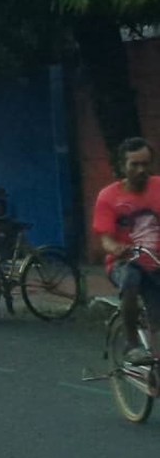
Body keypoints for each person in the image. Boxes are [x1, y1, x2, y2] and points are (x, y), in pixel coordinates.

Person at [94, 137, 160, 364]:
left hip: (155, 262)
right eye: (135, 165)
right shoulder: (109, 197)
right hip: (124, 263)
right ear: (122, 166)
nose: (142, 170)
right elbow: (106, 240)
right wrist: (117, 248)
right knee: (131, 276)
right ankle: (132, 345)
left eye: (146, 164)